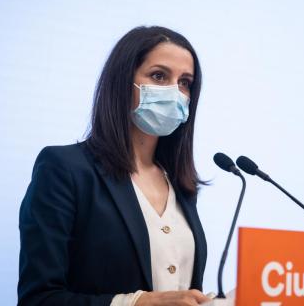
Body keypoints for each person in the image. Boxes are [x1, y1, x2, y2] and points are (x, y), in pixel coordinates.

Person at [18, 26, 211, 306]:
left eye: (185, 82)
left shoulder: (181, 184)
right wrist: (136, 303)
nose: (175, 91)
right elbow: (39, 299)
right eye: (159, 76)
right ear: (122, 81)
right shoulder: (64, 169)